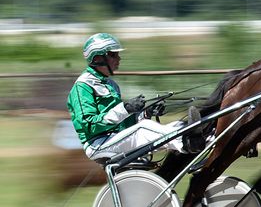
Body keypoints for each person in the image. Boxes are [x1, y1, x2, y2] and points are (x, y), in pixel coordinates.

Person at [67, 32, 203, 163]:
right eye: (113, 55)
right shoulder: (82, 86)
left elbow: (123, 124)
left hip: (115, 138)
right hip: (98, 144)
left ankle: (199, 138)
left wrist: (145, 113)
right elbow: (89, 125)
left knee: (176, 125)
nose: (118, 59)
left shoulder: (111, 85)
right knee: (143, 128)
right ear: (97, 58)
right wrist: (125, 108)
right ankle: (186, 142)